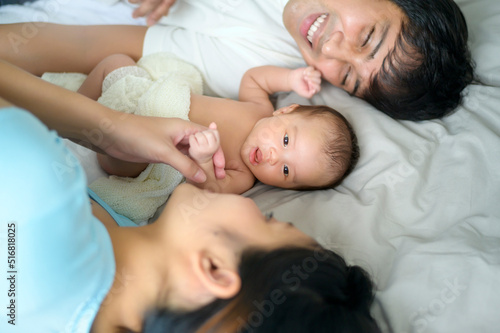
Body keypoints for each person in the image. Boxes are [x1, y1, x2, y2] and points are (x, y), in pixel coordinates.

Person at [0, 60, 381, 333]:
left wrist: (111, 127)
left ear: (215, 269)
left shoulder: (35, 191)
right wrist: (114, 129)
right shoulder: (121, 227)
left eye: (267, 221)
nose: (253, 204)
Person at [0, 0, 474, 121]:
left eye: (347, 77)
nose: (330, 51)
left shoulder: (259, 65)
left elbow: (81, 47)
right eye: (367, 37)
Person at [80, 54, 358, 195]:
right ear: (286, 110)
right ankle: (68, 107)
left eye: (286, 170)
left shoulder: (244, 176)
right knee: (115, 62)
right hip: (147, 99)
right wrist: (290, 80)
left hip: (142, 153)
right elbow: (254, 78)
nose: (274, 157)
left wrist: (202, 160)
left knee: (114, 151)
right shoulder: (260, 109)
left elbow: (209, 189)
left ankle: (77, 123)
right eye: (285, 141)